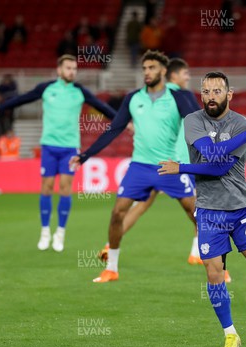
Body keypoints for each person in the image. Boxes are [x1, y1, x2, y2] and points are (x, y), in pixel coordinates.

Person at [157, 71, 246, 347]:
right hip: (209, 209)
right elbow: (211, 155)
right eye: (206, 91)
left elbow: (219, 165)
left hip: (241, 207)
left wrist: (181, 167)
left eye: (217, 91)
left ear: (229, 95)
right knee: (214, 273)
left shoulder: (240, 122)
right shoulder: (193, 121)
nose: (210, 96)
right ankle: (230, 334)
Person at [69, 50, 199, 283]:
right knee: (118, 212)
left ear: (163, 71)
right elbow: (114, 129)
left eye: (151, 68)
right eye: (144, 69)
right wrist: (85, 155)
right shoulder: (133, 98)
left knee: (197, 214)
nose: (147, 72)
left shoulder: (178, 97)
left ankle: (218, 262)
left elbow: (196, 124)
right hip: (139, 167)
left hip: (169, 166)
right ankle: (112, 268)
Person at [96, 57, 219, 276]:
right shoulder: (179, 96)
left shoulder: (169, 96)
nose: (188, 78)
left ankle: (109, 246)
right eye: (185, 74)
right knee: (198, 208)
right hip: (178, 161)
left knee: (141, 206)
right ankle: (200, 253)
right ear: (171, 75)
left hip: (162, 163)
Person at [0, 55, 116, 252]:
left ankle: (60, 232)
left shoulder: (80, 92)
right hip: (49, 146)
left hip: (70, 148)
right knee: (46, 188)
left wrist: (124, 122)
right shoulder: (46, 88)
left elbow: (103, 107)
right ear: (59, 70)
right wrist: (0, 107)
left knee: (65, 189)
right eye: (68, 68)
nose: (72, 71)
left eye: (74, 68)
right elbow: (22, 99)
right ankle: (45, 230)